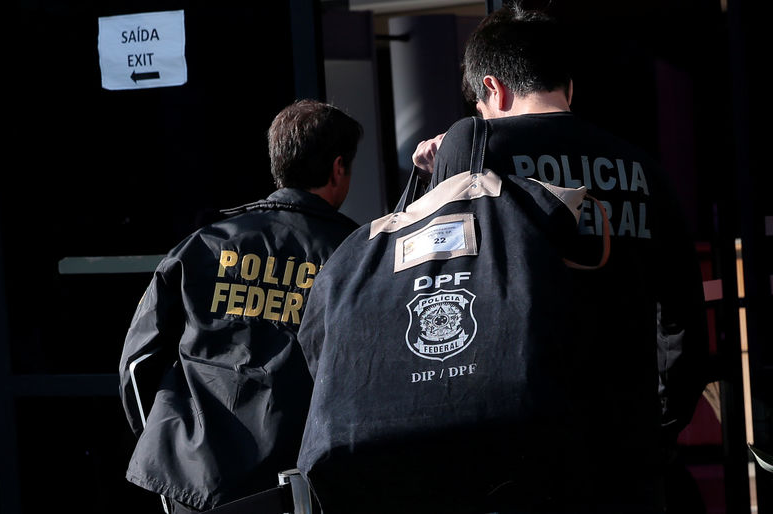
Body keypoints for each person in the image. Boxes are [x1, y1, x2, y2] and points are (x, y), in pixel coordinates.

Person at [297, 4, 708, 513]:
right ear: (568, 86)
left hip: (518, 455)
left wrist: (434, 175)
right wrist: (657, 425)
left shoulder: (477, 147)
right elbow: (683, 325)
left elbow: (438, 278)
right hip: (626, 449)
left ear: (493, 88)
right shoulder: (643, 169)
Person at [118, 99, 363, 513]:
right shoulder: (356, 253)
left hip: (200, 482)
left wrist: (172, 448)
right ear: (339, 167)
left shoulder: (205, 245)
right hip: (309, 487)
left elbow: (138, 363)